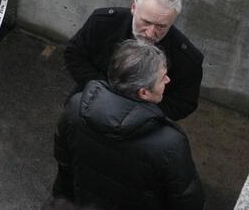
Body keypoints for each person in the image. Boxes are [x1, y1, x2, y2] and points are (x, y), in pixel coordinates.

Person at [53, 39, 205, 209]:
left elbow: (64, 163)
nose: (168, 80)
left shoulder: (75, 107)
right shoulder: (170, 143)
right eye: (163, 77)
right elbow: (187, 201)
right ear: (144, 92)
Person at [63, 0, 203, 121]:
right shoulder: (102, 23)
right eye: (146, 22)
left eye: (161, 26)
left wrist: (140, 114)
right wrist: (103, 90)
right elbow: (74, 54)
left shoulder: (187, 58)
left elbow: (184, 102)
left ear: (172, 21)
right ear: (134, 7)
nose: (149, 33)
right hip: (89, 102)